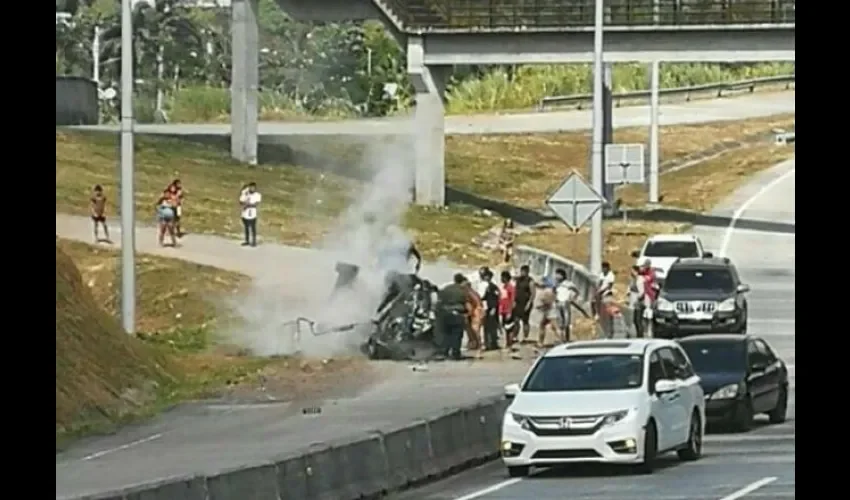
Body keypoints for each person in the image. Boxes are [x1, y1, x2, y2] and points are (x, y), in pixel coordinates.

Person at [438, 273, 469, 360]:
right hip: (457, 314)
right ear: (461, 281)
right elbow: (466, 303)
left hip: (445, 314)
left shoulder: (446, 289)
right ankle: (455, 354)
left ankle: (444, 352)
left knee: (446, 334)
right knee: (457, 335)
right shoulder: (462, 290)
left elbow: (439, 300)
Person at [554, 268, 582, 344]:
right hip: (558, 304)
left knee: (566, 322)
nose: (556, 276)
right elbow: (554, 292)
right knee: (560, 323)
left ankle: (567, 339)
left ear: (562, 275)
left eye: (558, 274)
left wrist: (572, 298)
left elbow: (577, 291)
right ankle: (561, 340)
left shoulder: (569, 284)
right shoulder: (556, 284)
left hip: (565, 304)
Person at [513, 265, 536, 343]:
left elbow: (533, 294)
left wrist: (529, 304)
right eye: (521, 271)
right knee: (516, 320)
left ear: (527, 272)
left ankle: (525, 337)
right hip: (518, 302)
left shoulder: (530, 281)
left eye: (524, 272)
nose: (522, 273)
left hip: (526, 303)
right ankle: (515, 336)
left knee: (525, 321)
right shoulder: (518, 280)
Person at [480, 268, 501, 351]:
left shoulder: (493, 287)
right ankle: (487, 343)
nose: (484, 277)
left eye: (486, 276)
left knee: (492, 327)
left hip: (492, 309)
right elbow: (485, 297)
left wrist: (494, 308)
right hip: (487, 308)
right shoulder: (488, 286)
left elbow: (496, 298)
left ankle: (493, 343)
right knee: (487, 326)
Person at [535, 277, 559, 349]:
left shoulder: (546, 291)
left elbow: (547, 303)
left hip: (549, 311)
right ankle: (540, 342)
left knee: (554, 327)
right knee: (544, 325)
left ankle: (560, 341)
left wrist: (540, 306)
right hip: (551, 310)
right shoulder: (552, 291)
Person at [498, 270, 517, 351]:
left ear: (505, 278)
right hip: (503, 311)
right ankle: (507, 343)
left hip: (508, 310)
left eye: (502, 277)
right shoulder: (503, 287)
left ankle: (510, 344)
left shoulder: (510, 288)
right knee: (506, 328)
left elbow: (512, 301)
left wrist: (510, 312)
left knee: (510, 328)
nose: (501, 279)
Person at [463, 278, 484, 353]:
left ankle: (478, 345)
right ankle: (477, 344)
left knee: (474, 329)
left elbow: (470, 306)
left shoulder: (468, 293)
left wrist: (467, 314)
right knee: (476, 329)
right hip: (480, 310)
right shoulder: (474, 292)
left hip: (476, 311)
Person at [628, 265, 648, 338]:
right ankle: (638, 335)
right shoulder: (633, 279)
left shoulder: (640, 280)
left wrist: (638, 300)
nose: (631, 272)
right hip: (635, 303)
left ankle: (640, 336)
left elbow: (642, 292)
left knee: (638, 320)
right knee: (635, 320)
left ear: (636, 271)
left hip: (639, 303)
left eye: (632, 271)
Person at [239, 182, 261, 247]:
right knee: (246, 228)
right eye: (250, 187)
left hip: (252, 214)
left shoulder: (257, 195)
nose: (252, 189)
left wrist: (247, 205)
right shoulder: (246, 194)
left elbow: (256, 204)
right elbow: (241, 202)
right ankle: (247, 240)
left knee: (253, 228)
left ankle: (254, 241)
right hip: (245, 213)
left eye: (253, 188)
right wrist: (243, 194)